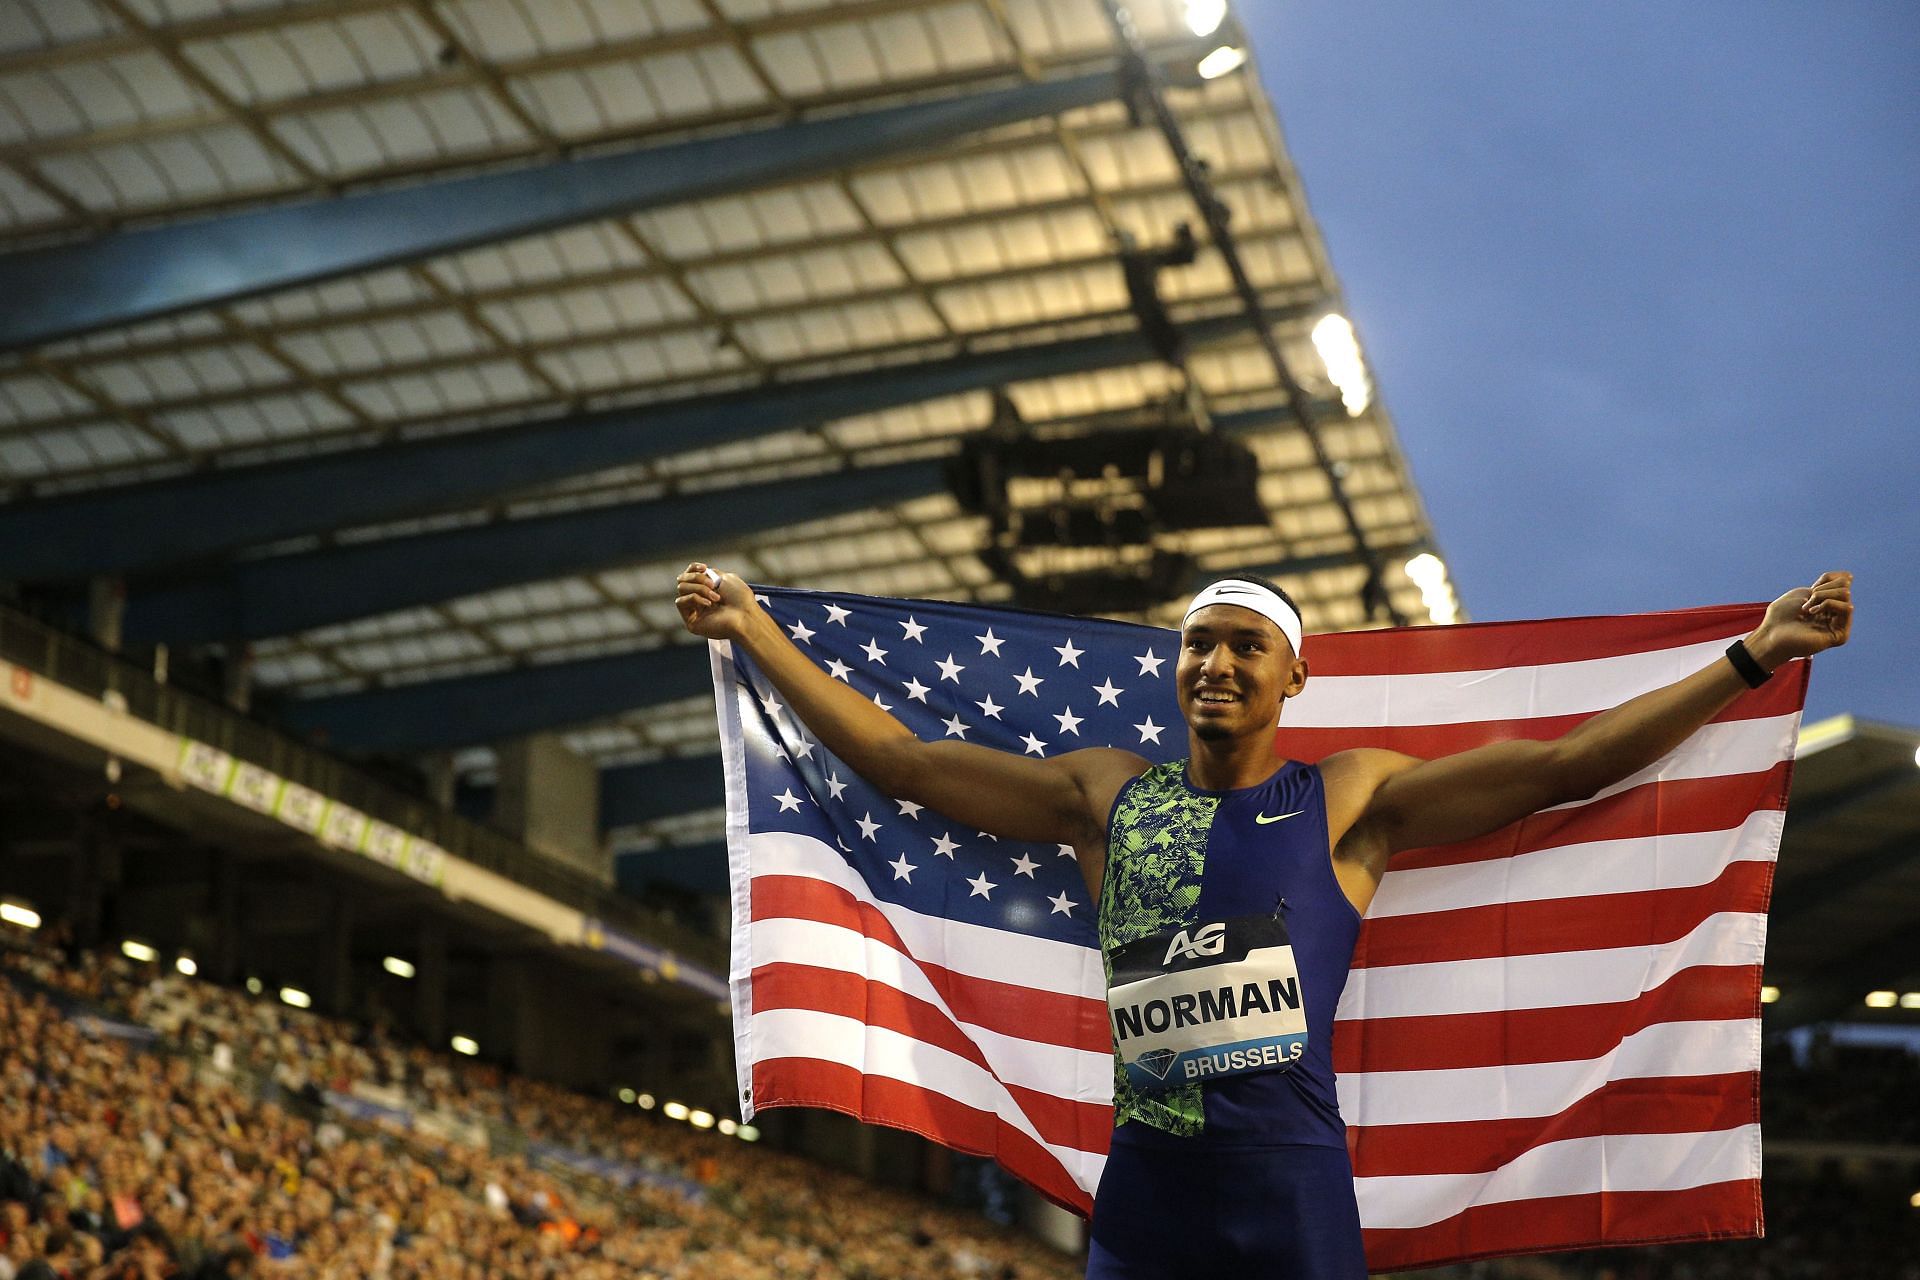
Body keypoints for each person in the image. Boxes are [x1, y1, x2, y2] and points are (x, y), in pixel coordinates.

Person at [676, 563, 1854, 1277]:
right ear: (1173, 667)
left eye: (1249, 645)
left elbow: (1566, 764)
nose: (1218, 662)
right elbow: (908, 761)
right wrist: (753, 629)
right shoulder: (1104, 794)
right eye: (1200, 643)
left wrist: (1753, 656)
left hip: (1290, 1188)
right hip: (1145, 1190)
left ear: (1295, 677)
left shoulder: (1349, 798)